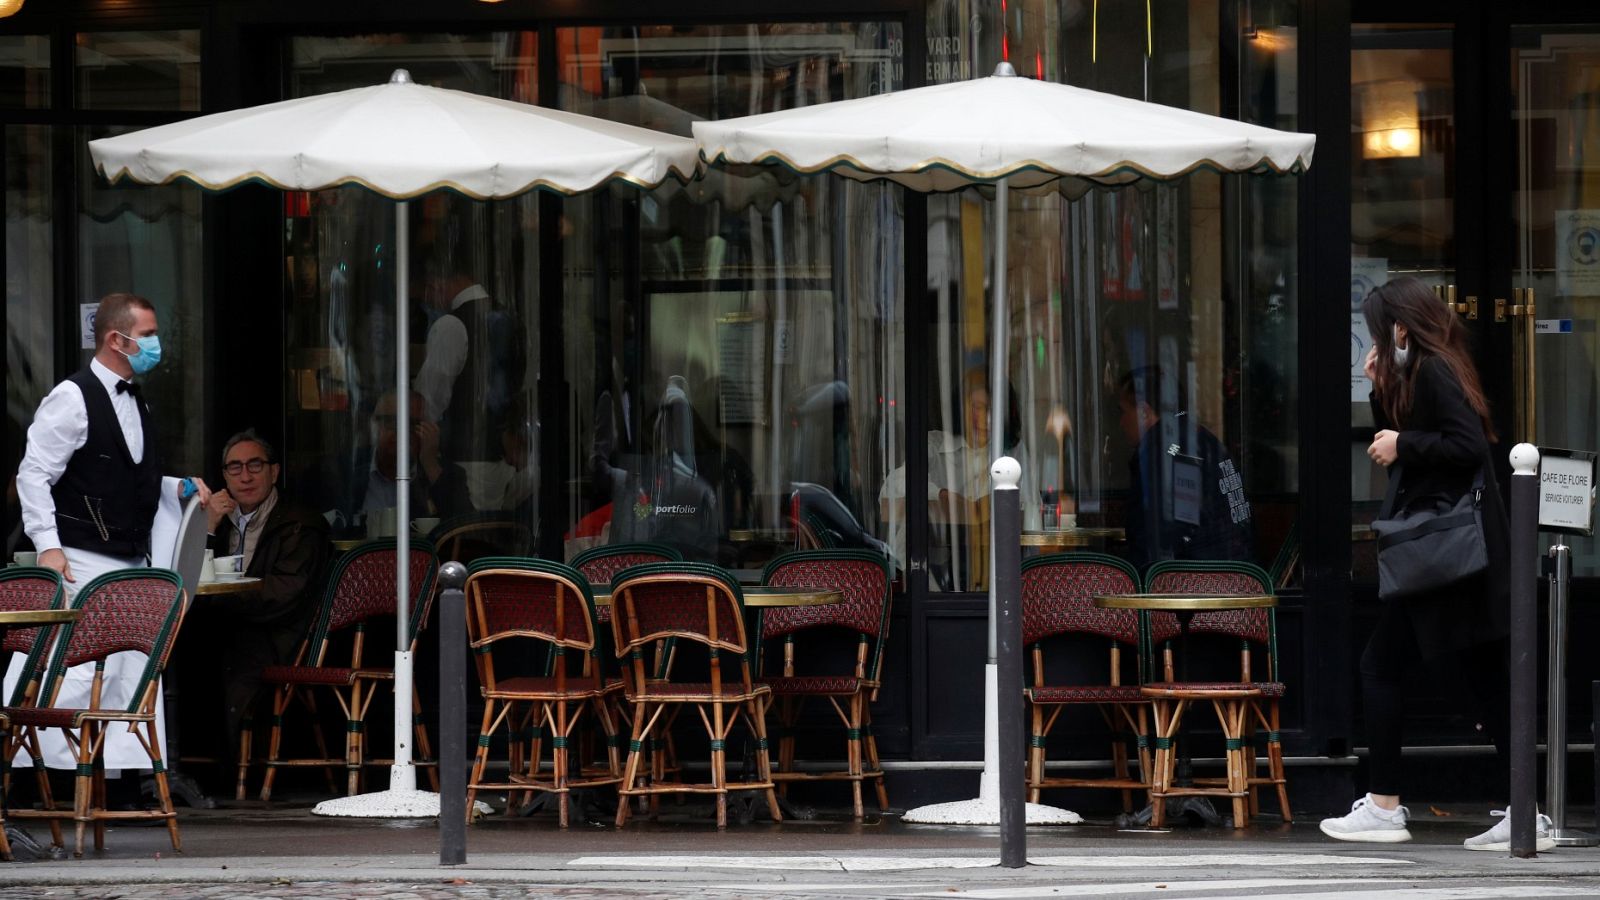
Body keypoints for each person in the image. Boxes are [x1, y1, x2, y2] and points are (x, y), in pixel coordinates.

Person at [1318, 276, 1544, 851]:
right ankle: (1525, 811)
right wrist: (1378, 393)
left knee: (1383, 666)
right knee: (1483, 681)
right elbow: (1417, 440)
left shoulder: (1435, 369)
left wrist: (1402, 443)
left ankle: (1386, 806)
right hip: (1455, 555)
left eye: (1379, 328)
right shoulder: (1429, 368)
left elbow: (1466, 445)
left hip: (1446, 554)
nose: (1376, 339)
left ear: (1399, 325)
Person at [10, 292, 212, 789]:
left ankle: (120, 776)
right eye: (147, 335)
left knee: (129, 664)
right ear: (116, 339)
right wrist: (48, 545)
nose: (155, 344)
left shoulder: (134, 394)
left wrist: (177, 486)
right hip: (79, 554)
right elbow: (33, 475)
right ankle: (44, 774)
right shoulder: (72, 396)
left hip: (127, 557)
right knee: (74, 665)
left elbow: (122, 475)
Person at [204, 430, 331, 745]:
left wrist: (224, 602)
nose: (245, 476)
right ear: (224, 476)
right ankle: (178, 765)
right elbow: (187, 573)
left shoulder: (300, 523)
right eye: (235, 468)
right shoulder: (215, 520)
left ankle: (231, 766)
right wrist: (206, 527)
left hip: (280, 633)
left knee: (234, 652)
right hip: (223, 623)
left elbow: (285, 592)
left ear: (274, 472)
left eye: (255, 465)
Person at [413, 255, 526, 507]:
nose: (430, 297)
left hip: (461, 464)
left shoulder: (451, 324)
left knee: (465, 536)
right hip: (501, 463)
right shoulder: (511, 321)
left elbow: (431, 399)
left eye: (431, 287)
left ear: (444, 280)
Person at [1117, 366, 1253, 568]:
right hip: (1237, 576)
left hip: (1194, 584)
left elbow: (1157, 539)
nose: (1120, 422)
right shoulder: (1203, 439)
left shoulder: (1160, 452)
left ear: (1144, 412)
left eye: (1122, 411)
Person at [359, 390, 475, 522]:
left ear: (428, 430)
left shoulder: (443, 474)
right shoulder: (350, 470)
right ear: (374, 425)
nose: (401, 432)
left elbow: (466, 529)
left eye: (411, 424)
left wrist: (430, 464)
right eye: (391, 421)